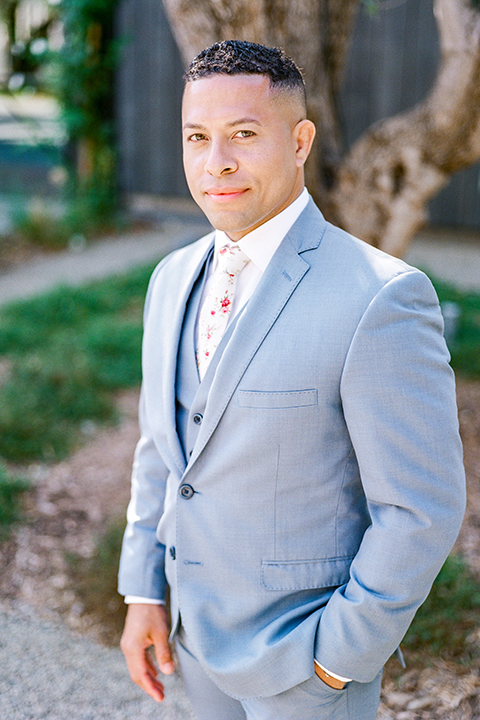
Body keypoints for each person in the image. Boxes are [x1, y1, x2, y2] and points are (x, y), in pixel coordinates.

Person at [118, 40, 466, 720]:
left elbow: (420, 509)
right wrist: (142, 592)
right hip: (193, 641)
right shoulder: (172, 278)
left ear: (301, 140)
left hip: (306, 667)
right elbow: (162, 449)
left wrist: (338, 660)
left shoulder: (381, 297)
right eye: (198, 137)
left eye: (243, 135)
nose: (215, 162)